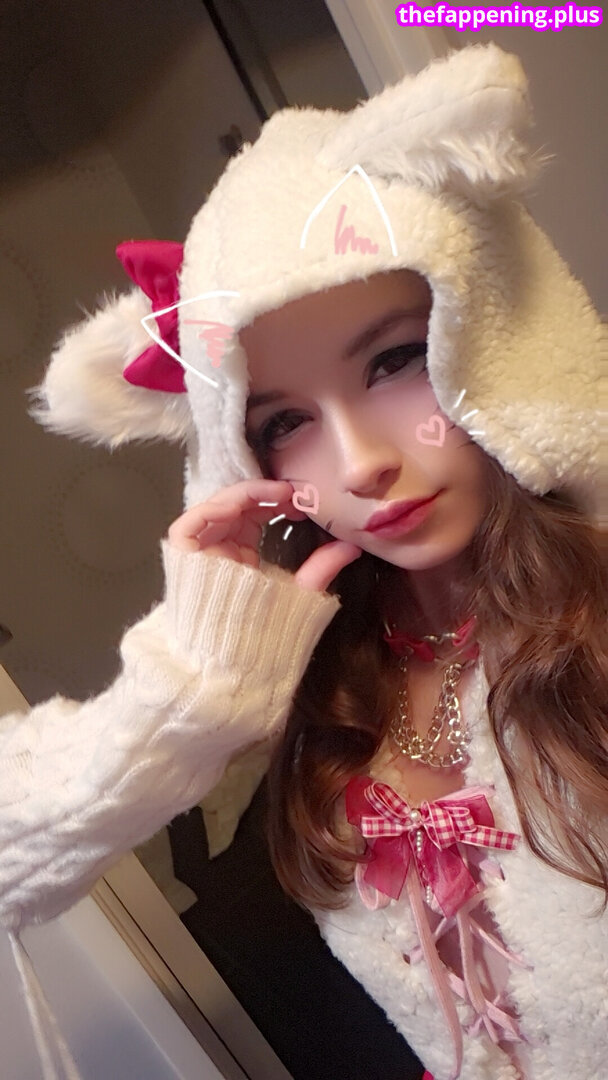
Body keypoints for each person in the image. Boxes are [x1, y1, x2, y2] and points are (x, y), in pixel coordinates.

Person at [2, 40, 605, 1080]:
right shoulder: (312, 675)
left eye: (395, 361)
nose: (362, 462)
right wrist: (186, 691)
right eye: (284, 423)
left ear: (493, 331)